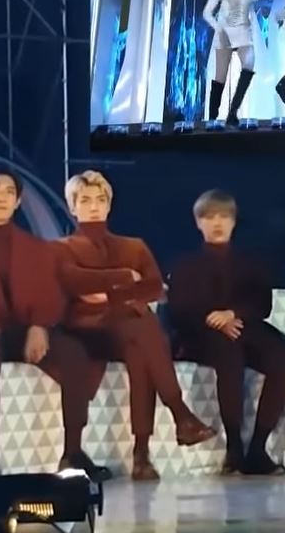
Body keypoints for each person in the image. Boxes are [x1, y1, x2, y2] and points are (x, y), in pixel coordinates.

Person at [0, 162, 110, 480]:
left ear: (17, 201)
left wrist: (40, 326)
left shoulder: (37, 248)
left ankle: (72, 452)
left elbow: (51, 297)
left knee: (73, 352)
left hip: (21, 331)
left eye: (9, 192)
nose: (2, 197)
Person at [53, 172, 215, 481]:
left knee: (140, 343)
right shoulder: (61, 247)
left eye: (100, 200)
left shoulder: (133, 246)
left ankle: (142, 454)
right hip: (84, 329)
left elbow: (154, 288)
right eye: (85, 200)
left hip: (124, 327)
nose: (93, 206)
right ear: (72, 207)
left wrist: (107, 292)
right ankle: (179, 415)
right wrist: (126, 278)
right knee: (142, 323)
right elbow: (74, 283)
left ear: (109, 205)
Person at [168, 190, 285, 475]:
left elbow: (263, 303)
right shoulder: (185, 264)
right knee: (229, 355)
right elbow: (177, 311)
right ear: (198, 222)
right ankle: (234, 448)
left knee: (281, 361)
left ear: (233, 221)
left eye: (224, 216)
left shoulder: (251, 261)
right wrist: (212, 318)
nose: (217, 223)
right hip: (200, 333)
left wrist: (233, 313)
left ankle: (258, 448)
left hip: (243, 325)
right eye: (210, 217)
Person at [203, 0, 257, 127]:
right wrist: (219, 29)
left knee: (249, 65)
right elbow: (207, 13)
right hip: (224, 33)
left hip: (243, 33)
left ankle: (232, 113)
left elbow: (249, 14)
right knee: (220, 77)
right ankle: (212, 118)